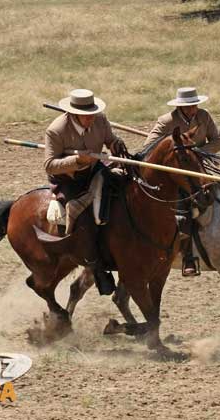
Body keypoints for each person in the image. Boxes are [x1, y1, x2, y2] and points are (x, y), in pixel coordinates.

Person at [44, 88, 126, 294]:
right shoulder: (56, 130)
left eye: (92, 114)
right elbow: (50, 165)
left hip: (96, 170)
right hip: (69, 180)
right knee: (83, 219)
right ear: (73, 114)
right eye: (86, 115)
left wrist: (116, 144)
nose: (91, 119)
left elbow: (110, 140)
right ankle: (96, 267)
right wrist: (77, 160)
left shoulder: (100, 120)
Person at [144, 87, 220, 276]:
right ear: (180, 106)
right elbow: (149, 147)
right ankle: (188, 256)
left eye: (194, 105)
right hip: (175, 174)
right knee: (184, 208)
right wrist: (176, 152)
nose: (193, 109)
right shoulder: (167, 122)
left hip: (199, 166)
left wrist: (198, 152)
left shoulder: (204, 116)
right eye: (188, 106)